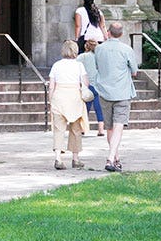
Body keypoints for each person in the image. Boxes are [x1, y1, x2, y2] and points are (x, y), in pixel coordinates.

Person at [93, 20, 138, 172]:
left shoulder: (99, 49)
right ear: (122, 34)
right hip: (122, 92)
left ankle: (116, 158)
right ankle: (111, 158)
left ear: (108, 32)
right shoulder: (127, 49)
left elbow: (97, 66)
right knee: (118, 126)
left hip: (104, 91)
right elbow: (134, 71)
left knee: (110, 128)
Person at [48, 39, 91, 169]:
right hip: (74, 98)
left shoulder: (56, 65)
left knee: (58, 129)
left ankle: (58, 158)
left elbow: (51, 86)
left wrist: (51, 100)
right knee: (76, 129)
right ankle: (75, 158)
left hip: (59, 97)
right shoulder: (79, 66)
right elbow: (86, 83)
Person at [77, 37, 106, 136]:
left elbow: (75, 66)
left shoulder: (82, 57)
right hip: (99, 85)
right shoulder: (101, 57)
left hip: (87, 85)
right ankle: (101, 129)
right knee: (99, 108)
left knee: (85, 108)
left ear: (86, 46)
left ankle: (82, 128)